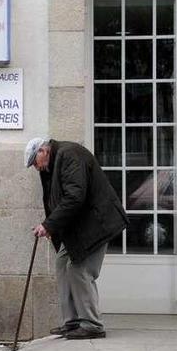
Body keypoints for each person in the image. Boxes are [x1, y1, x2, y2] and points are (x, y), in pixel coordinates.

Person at [24, 137, 128, 340]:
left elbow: (74, 197)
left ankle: (92, 324)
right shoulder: (52, 164)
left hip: (96, 223)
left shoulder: (69, 155)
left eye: (34, 162)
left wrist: (48, 225)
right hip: (79, 226)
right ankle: (71, 322)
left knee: (80, 269)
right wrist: (52, 225)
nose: (35, 168)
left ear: (43, 151)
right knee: (62, 264)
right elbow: (55, 200)